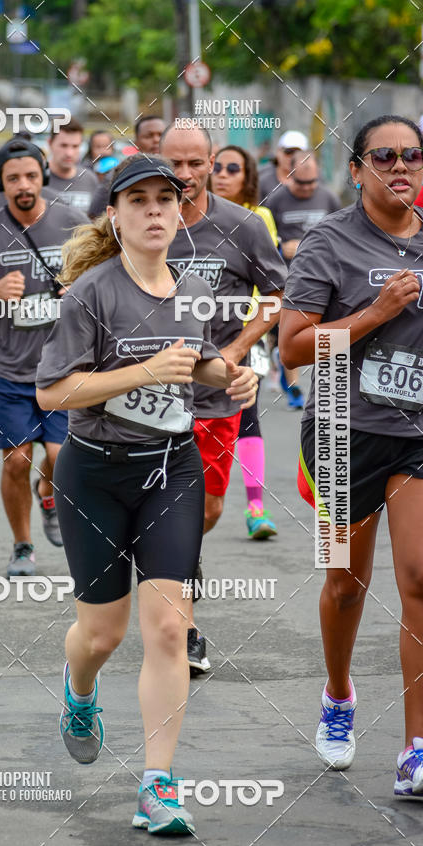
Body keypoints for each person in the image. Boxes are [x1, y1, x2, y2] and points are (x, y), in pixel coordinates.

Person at [35, 155, 258, 834]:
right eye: (141, 201)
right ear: (116, 215)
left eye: (168, 198)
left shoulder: (192, 290)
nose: (156, 210)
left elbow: (201, 362)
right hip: (95, 473)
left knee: (168, 626)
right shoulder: (90, 295)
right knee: (101, 635)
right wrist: (138, 373)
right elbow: (52, 391)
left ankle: (158, 785)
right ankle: (79, 691)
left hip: (173, 469)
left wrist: (229, 377)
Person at [279, 114, 423, 795]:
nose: (401, 166)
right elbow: (293, 347)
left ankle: (416, 748)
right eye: (386, 155)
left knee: (420, 578)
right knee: (346, 584)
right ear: (358, 167)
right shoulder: (329, 243)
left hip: (417, 434)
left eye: (413, 156)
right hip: (344, 429)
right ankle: (339, 696)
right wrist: (374, 314)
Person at [160, 123, 286, 671]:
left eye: (195, 164)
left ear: (213, 162)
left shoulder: (243, 226)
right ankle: (183, 623)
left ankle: (177, 561)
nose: (184, 176)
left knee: (207, 507)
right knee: (165, 506)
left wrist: (236, 348)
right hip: (148, 391)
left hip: (215, 396)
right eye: (174, 165)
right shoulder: (135, 222)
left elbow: (280, 296)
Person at [0, 138, 89, 576]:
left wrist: (79, 287)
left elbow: (107, 272)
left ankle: (48, 492)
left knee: (60, 455)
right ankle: (22, 546)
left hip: (64, 367)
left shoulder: (70, 220)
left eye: (31, 176)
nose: (23, 185)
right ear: (0, 183)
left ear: (43, 177)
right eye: (13, 179)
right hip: (10, 369)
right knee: (16, 459)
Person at [210, 144, 280, 539]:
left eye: (232, 168)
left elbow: (270, 284)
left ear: (246, 177)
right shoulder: (184, 218)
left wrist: (252, 331)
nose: (222, 174)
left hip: (244, 332)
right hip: (194, 335)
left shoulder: (258, 217)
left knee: (246, 413)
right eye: (216, 167)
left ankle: (255, 507)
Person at [264, 153, 341, 410]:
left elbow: (344, 232)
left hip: (325, 275)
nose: (308, 188)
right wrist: (280, 246)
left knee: (328, 331)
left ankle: (328, 389)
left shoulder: (328, 197)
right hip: (288, 277)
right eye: (301, 183)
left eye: (312, 182)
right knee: (290, 332)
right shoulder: (276, 199)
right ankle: (295, 390)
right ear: (289, 176)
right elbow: (261, 237)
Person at [88, 116, 167, 220]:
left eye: (161, 135)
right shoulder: (119, 174)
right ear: (136, 142)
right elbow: (94, 215)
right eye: (149, 136)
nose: (156, 140)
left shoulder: (183, 170)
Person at [47, 118, 99, 214]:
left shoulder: (89, 179)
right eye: (63, 145)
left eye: (75, 146)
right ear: (50, 143)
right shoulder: (37, 179)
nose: (69, 153)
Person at [258, 129, 308, 202]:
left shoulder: (314, 180)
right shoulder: (261, 180)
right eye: (288, 152)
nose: (292, 157)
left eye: (297, 153)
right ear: (278, 152)